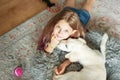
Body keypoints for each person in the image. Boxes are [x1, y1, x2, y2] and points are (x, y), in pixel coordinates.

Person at [38, 0, 95, 75]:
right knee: (69, 3)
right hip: (68, 13)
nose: (59, 33)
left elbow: (78, 53)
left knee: (89, 4)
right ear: (55, 23)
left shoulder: (77, 36)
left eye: (66, 31)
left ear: (73, 32)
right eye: (58, 27)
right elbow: (42, 54)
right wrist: (51, 46)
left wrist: (65, 64)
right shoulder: (49, 32)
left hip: (81, 20)